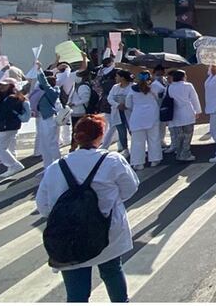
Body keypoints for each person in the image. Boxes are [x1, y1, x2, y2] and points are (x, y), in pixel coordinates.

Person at [36, 115, 139, 303]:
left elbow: (43, 207)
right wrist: (108, 203)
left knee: (76, 293)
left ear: (76, 137)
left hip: (70, 236)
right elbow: (130, 188)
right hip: (107, 229)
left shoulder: (55, 168)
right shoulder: (112, 160)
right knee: (112, 272)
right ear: (100, 136)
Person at [0, 77, 30, 177]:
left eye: (4, 85)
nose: (1, 87)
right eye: (0, 85)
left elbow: (4, 113)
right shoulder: (10, 97)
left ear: (11, 86)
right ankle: (12, 166)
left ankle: (14, 165)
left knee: (0, 149)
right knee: (2, 148)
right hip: (9, 126)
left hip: (6, 126)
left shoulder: (11, 98)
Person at [124, 70, 162, 170]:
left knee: (137, 141)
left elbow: (128, 104)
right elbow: (163, 91)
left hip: (137, 116)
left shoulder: (132, 89)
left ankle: (138, 163)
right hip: (152, 115)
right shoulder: (155, 86)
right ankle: (155, 159)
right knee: (154, 138)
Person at [34, 67, 68, 169]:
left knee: (52, 143)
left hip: (50, 119)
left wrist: (40, 70)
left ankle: (58, 165)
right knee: (44, 145)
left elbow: (44, 83)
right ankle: (47, 166)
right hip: (43, 118)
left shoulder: (53, 92)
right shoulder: (45, 91)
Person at [166, 70, 201, 162]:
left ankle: (179, 153)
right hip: (187, 113)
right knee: (188, 135)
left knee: (178, 136)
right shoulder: (188, 85)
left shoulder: (170, 87)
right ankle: (186, 153)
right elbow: (194, 98)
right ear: (183, 77)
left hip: (175, 114)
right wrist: (197, 111)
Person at [100, 70, 131, 155]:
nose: (115, 78)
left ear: (123, 77)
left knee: (132, 131)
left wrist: (126, 105)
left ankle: (136, 148)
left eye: (117, 76)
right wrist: (117, 105)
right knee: (121, 132)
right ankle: (125, 149)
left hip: (129, 112)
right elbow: (110, 98)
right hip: (117, 112)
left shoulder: (132, 87)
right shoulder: (115, 87)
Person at [67, 70, 93, 152]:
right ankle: (74, 146)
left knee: (79, 130)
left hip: (80, 112)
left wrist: (74, 103)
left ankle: (76, 146)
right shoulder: (76, 86)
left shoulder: (83, 87)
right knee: (76, 130)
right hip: (75, 112)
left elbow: (85, 99)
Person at [150, 65, 171, 154]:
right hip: (156, 105)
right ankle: (158, 143)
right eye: (159, 72)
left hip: (163, 105)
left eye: (162, 71)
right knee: (158, 125)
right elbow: (155, 94)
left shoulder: (164, 80)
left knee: (162, 125)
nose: (161, 73)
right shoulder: (154, 82)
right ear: (155, 72)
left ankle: (162, 141)